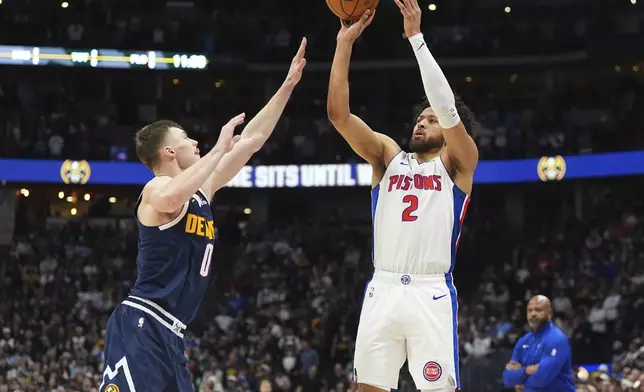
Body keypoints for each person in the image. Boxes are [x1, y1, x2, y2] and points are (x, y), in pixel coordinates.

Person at [98, 38, 307, 392]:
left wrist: (287, 85)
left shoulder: (202, 189)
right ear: (168, 152)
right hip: (142, 323)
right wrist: (218, 149)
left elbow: (252, 139)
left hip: (173, 334)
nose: (196, 143)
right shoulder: (155, 189)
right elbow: (171, 196)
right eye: (188, 139)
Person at [327, 1, 478, 391]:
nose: (421, 122)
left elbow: (448, 109)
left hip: (431, 291)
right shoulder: (387, 157)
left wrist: (416, 39)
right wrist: (344, 44)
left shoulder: (458, 164)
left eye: (430, 119)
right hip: (384, 287)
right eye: (419, 118)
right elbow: (338, 116)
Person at [502, 295, 576, 392]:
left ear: (549, 313)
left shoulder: (557, 339)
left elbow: (542, 379)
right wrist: (527, 370)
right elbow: (507, 378)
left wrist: (521, 379)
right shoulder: (524, 340)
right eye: (530, 310)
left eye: (538, 310)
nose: (533, 314)